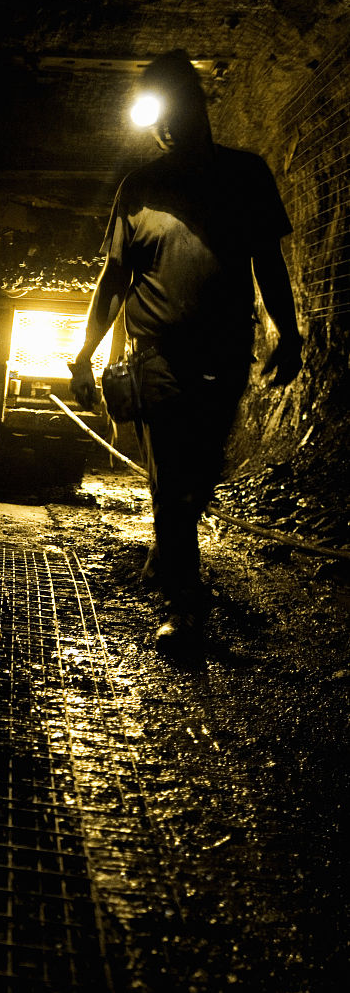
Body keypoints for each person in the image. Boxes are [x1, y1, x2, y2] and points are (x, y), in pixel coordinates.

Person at [70, 49, 303, 650]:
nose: (166, 127)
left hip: (225, 351)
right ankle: (184, 604)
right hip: (157, 355)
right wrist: (84, 353)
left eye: (173, 111)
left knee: (199, 475)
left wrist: (289, 331)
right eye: (158, 117)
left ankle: (169, 547)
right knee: (174, 476)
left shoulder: (246, 175)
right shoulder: (140, 187)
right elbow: (114, 279)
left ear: (198, 107)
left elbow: (269, 261)